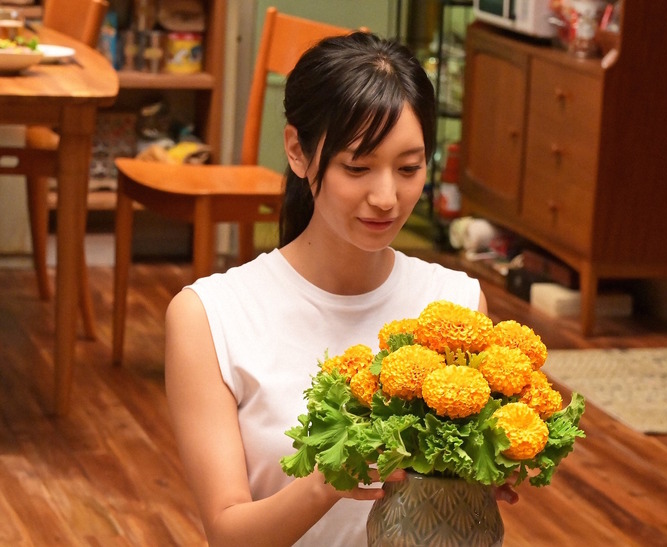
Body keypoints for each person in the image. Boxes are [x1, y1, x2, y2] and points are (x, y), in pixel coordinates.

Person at [164, 31, 516, 546]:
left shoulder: (456, 305)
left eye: (409, 168)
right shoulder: (211, 316)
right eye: (357, 167)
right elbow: (228, 534)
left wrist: (482, 475)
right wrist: (327, 482)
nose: (386, 197)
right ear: (297, 151)